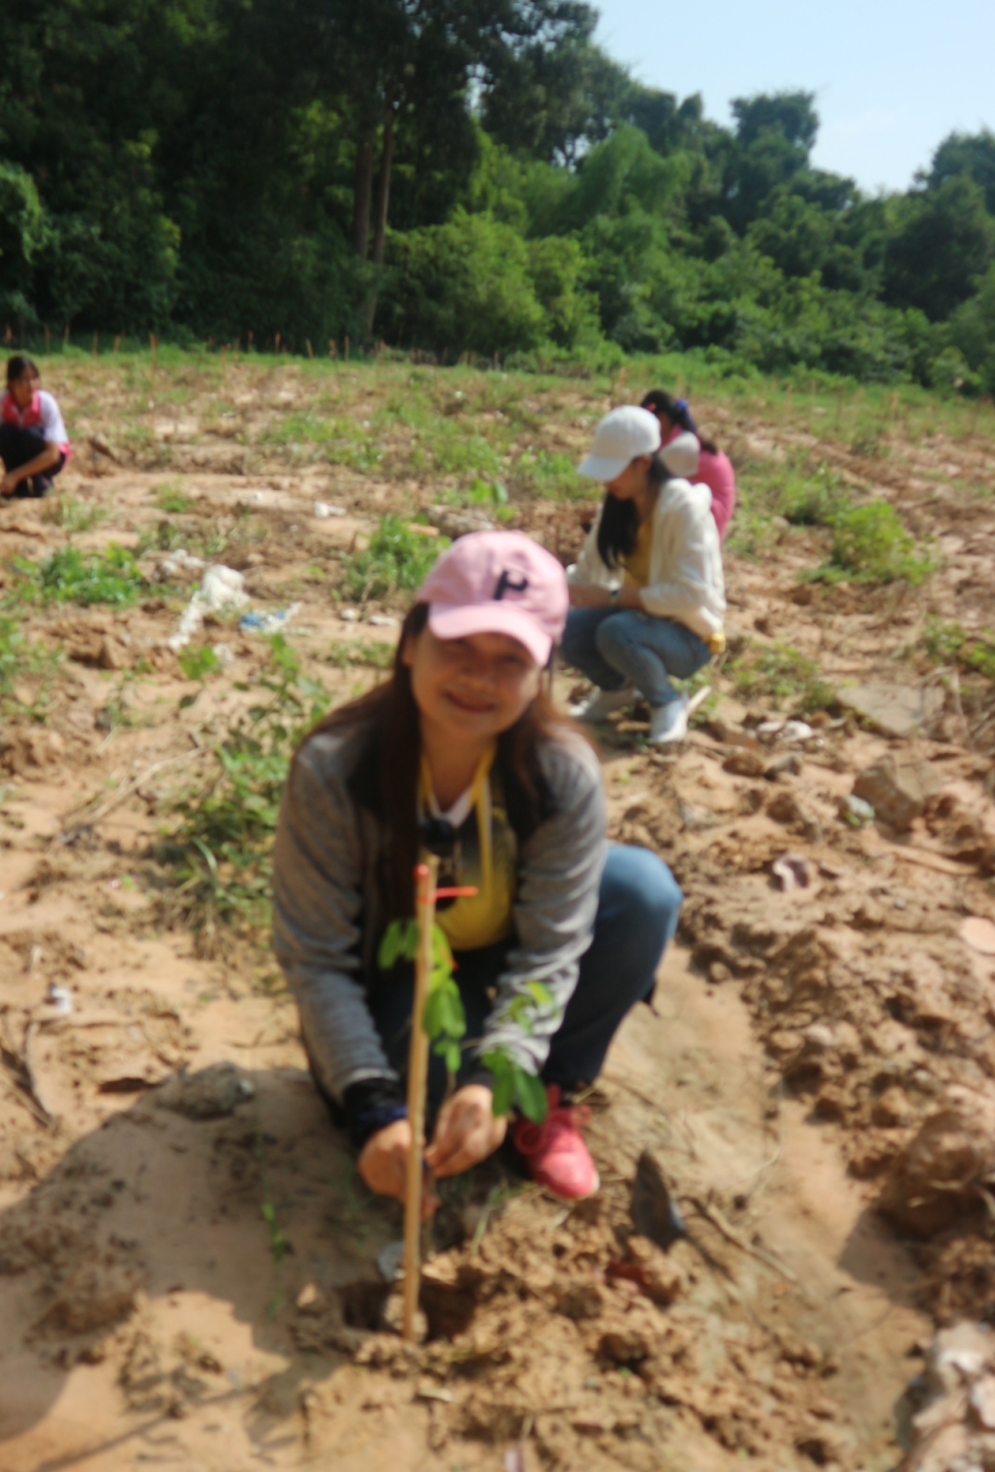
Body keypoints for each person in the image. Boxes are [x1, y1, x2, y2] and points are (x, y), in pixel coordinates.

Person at [273, 532, 682, 1208]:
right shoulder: (336, 769)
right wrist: (373, 1105)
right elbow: (317, 959)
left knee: (641, 893)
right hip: (399, 968)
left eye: (509, 659)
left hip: (501, 943)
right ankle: (438, 1073)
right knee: (425, 1100)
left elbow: (552, 948)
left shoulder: (560, 774)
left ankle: (546, 1091)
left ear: (541, 671)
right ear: (411, 642)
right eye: (458, 646)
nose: (478, 678)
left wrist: (498, 1075)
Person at [562, 405, 725, 746]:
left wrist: (613, 598)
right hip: (637, 619)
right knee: (566, 630)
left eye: (615, 471)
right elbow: (586, 573)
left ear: (645, 464)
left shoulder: (683, 509)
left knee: (616, 630)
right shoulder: (616, 509)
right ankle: (617, 690)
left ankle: (666, 700)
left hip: (689, 634)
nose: (607, 481)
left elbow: (691, 594)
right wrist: (549, 590)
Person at [640, 388, 737, 539]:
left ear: (662, 419)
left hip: (708, 516)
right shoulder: (675, 438)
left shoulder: (681, 447)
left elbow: (645, 482)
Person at [0, 355, 69, 499]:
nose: (31, 385)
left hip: (49, 457)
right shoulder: (2, 403)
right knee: (4, 432)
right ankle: (18, 487)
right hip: (22, 450)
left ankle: (42, 480)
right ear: (12, 383)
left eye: (34, 379)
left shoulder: (46, 404)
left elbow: (52, 455)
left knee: (31, 434)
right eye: (25, 379)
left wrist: (15, 475)